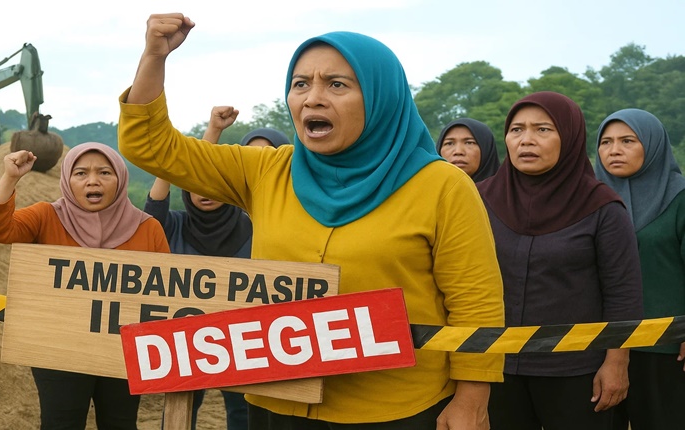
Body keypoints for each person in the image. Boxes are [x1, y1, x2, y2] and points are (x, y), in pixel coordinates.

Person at [117, 13, 505, 429]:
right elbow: (151, 147)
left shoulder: (442, 185)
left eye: (336, 85)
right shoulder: (267, 171)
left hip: (397, 409)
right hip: (277, 401)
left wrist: (472, 398)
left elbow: (475, 302)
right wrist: (154, 57)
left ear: (381, 97)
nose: (312, 98)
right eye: (301, 84)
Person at [476, 91, 644, 430]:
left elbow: (623, 294)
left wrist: (616, 363)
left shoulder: (602, 207)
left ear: (569, 137)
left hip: (575, 370)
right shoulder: (479, 199)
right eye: (517, 130)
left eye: (542, 130)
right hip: (495, 365)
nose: (526, 140)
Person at [0, 142, 170, 430]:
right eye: (80, 173)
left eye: (104, 172)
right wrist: (10, 177)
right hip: (58, 350)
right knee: (61, 423)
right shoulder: (46, 216)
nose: (93, 180)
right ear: (67, 180)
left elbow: (166, 292)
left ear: (120, 178)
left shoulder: (148, 228)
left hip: (123, 353)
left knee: (120, 423)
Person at [145, 107, 289, 430]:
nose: (204, 192)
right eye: (196, 185)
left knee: (242, 410)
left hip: (243, 339)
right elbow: (154, 207)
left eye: (213, 185)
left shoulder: (255, 226)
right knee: (179, 409)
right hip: (182, 341)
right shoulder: (174, 226)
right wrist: (175, 160)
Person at [595, 108, 685, 429]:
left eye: (627, 141)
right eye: (606, 142)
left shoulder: (680, 197)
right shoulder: (590, 200)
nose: (614, 150)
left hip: (664, 347)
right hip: (594, 345)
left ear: (653, 144)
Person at [436, 118, 500, 181]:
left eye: (469, 143)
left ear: (486, 149)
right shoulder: (429, 189)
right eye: (449, 143)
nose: (458, 151)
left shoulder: (505, 190)